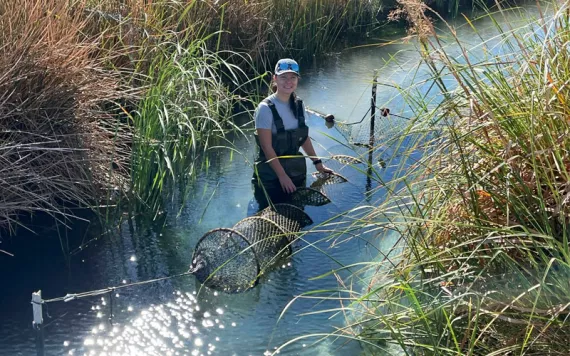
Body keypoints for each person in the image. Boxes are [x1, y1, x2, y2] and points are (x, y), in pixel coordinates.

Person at [252, 58, 334, 210]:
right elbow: (266, 146)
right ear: (275, 78)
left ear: (297, 79)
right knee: (270, 213)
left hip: (295, 172)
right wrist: (282, 176)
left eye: (293, 77)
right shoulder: (264, 108)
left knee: (296, 214)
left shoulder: (299, 104)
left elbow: (303, 139)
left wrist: (318, 163)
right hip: (271, 176)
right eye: (283, 77)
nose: (288, 81)